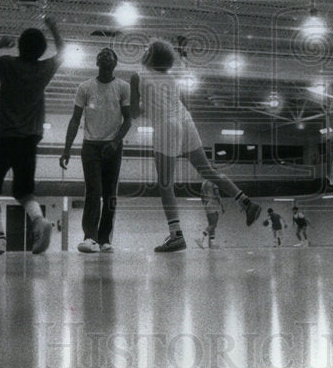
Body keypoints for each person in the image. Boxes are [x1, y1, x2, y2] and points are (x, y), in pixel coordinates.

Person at [129, 39, 261, 252]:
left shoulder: (137, 76)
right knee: (207, 170)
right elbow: (178, 103)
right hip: (185, 120)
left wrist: (135, 106)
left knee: (165, 184)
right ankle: (246, 201)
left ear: (150, 55)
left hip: (166, 125)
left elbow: (134, 113)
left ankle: (176, 236)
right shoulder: (172, 78)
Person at [0, 17, 65, 255]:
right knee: (24, 191)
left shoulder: (7, 64)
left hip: (3, 137)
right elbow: (63, 51)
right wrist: (54, 28)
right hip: (29, 139)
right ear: (42, 50)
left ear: (20, 46)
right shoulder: (45, 69)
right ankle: (38, 220)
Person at [60, 48, 131, 254]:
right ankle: (89, 237)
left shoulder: (123, 87)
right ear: (97, 62)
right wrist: (66, 149)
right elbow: (75, 120)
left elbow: (128, 119)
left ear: (115, 63)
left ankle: (105, 239)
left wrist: (116, 142)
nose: (105, 55)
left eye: (109, 54)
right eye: (101, 54)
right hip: (90, 145)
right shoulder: (85, 87)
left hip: (113, 146)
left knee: (110, 194)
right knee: (94, 191)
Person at [195, 179, 224, 248]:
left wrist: (204, 203)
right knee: (213, 225)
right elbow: (217, 194)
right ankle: (200, 238)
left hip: (207, 204)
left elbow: (201, 195)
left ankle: (211, 243)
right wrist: (222, 205)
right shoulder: (214, 182)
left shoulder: (204, 182)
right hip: (213, 205)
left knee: (211, 224)